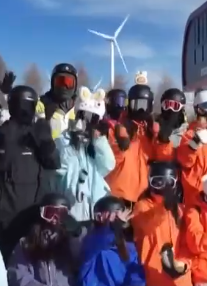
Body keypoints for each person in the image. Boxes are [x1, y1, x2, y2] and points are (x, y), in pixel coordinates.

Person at [0, 85, 61, 260]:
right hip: (7, 220)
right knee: (5, 262)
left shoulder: (36, 132)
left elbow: (54, 163)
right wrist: (8, 144)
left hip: (34, 216)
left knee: (32, 262)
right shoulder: (2, 134)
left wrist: (47, 142)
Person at [130, 161, 198, 286]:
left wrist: (184, 264)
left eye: (168, 183)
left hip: (181, 280)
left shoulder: (180, 210)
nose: (163, 187)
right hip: (155, 280)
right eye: (158, 182)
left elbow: (188, 243)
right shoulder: (142, 207)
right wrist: (163, 208)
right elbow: (145, 227)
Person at [8, 193, 95, 286]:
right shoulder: (27, 244)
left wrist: (77, 232)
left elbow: (85, 257)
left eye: (60, 214)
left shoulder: (69, 242)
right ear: (41, 214)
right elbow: (20, 278)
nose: (54, 219)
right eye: (49, 213)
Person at [53, 86, 115, 222]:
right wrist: (72, 145)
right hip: (73, 207)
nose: (86, 122)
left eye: (92, 118)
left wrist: (99, 140)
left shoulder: (96, 145)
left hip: (95, 208)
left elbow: (108, 165)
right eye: (83, 116)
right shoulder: (64, 139)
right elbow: (59, 167)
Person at [78, 196, 150, 286]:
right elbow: (100, 242)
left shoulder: (127, 247)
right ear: (100, 217)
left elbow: (135, 270)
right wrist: (113, 227)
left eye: (120, 215)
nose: (120, 219)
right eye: (115, 215)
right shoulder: (90, 240)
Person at [105, 84, 157, 206]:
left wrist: (161, 139)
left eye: (144, 105)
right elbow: (109, 161)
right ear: (129, 105)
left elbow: (158, 159)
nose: (140, 110)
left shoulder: (150, 132)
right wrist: (119, 146)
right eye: (136, 105)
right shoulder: (118, 128)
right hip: (119, 196)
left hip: (143, 198)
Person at [40, 64, 80, 139]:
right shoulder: (42, 105)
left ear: (75, 85)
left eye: (69, 83)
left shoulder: (79, 107)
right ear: (53, 84)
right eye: (60, 82)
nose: (64, 87)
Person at [153, 88, 189, 161]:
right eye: (167, 105)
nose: (170, 109)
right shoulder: (153, 130)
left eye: (175, 106)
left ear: (182, 108)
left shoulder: (187, 133)